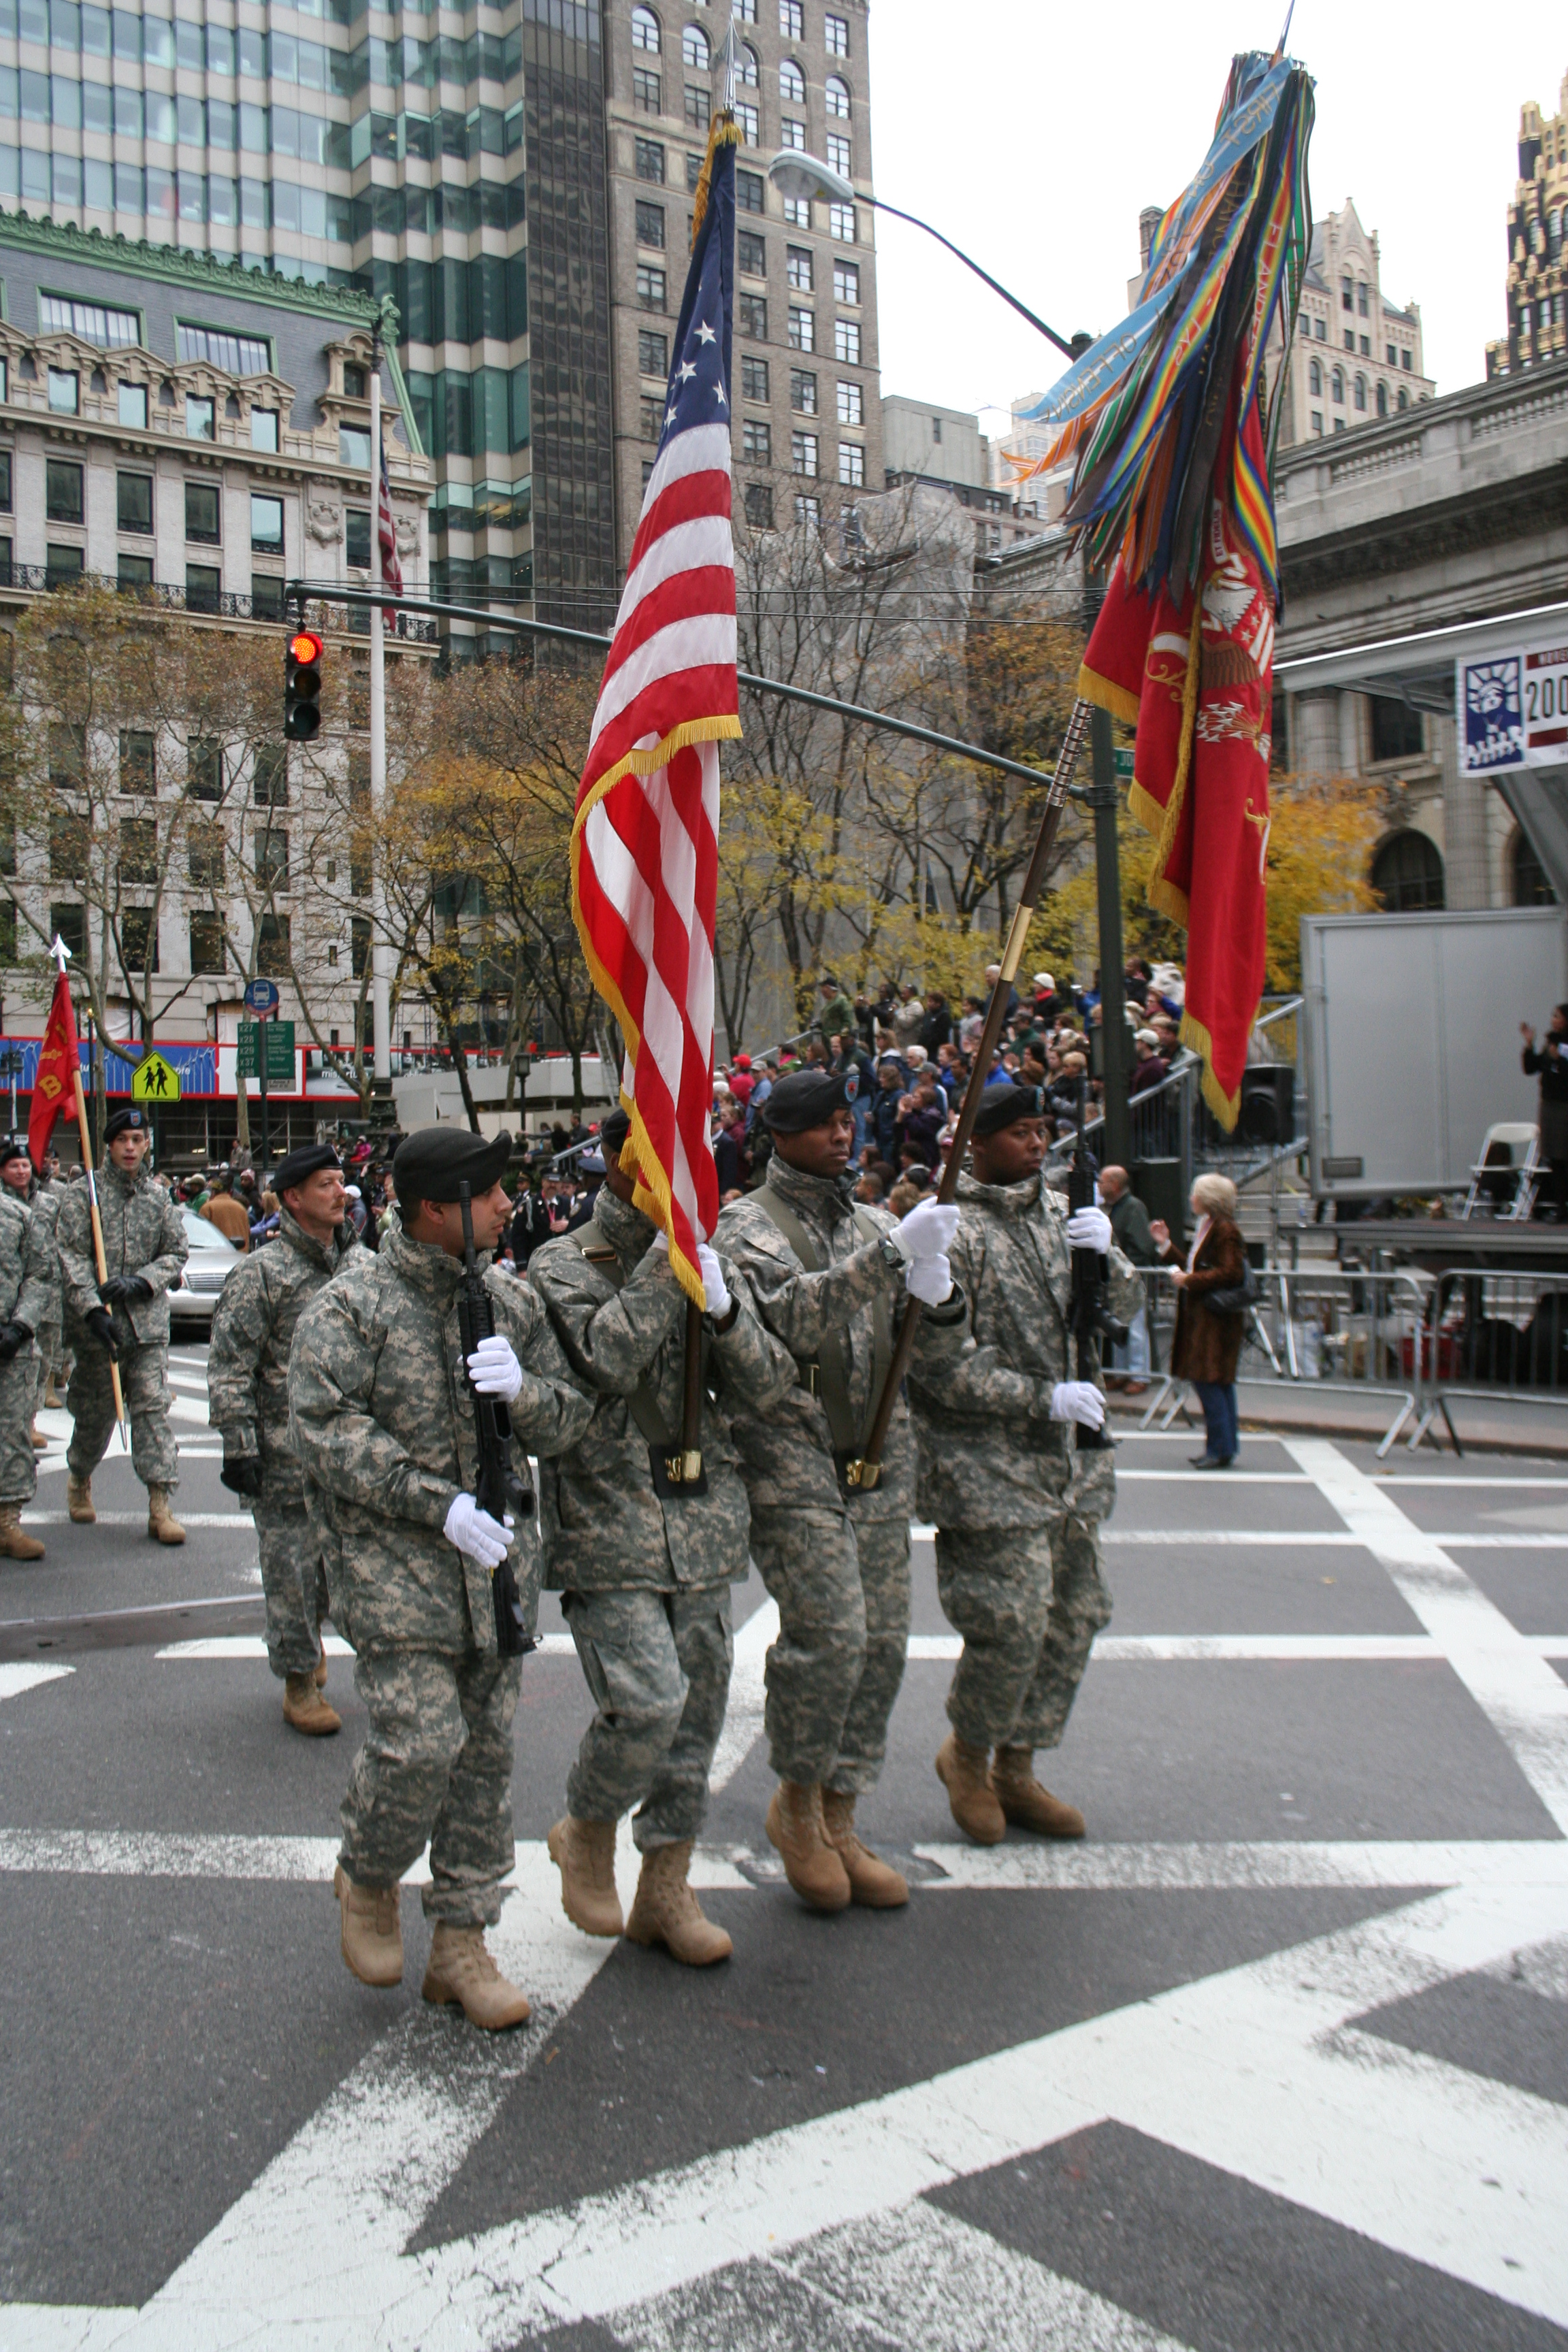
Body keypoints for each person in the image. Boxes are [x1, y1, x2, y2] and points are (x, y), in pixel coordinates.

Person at [288, 1125, 593, 2029]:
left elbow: (569, 1419)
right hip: (398, 1571)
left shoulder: (510, 1300)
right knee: (421, 1741)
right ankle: (371, 1873)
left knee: (484, 1761)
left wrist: (525, 1396)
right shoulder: (353, 1307)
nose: (510, 1206)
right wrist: (436, 1502)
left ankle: (462, 1941)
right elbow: (324, 1428)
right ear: (437, 1207)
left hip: (494, 1570)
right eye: (495, 1192)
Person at [529, 1108, 794, 1967]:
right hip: (608, 1518)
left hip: (701, 1519)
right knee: (647, 1703)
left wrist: (721, 1311)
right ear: (614, 1161)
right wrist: (664, 1262)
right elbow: (608, 1356)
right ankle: (589, 1824)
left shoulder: (704, 1259)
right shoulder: (564, 1260)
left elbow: (762, 1386)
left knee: (697, 1724)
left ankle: (666, 1887)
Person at [715, 1068, 967, 1912]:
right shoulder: (745, 1225)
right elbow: (787, 1318)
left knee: (884, 1644)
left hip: (878, 1456)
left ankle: (840, 1810)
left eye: (843, 1120)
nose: (839, 1134)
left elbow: (923, 1353)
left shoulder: (871, 1221)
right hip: (794, 1453)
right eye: (819, 1123)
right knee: (831, 1635)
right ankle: (796, 1800)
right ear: (778, 1134)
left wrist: (940, 1301)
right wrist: (892, 1256)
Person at [909, 1085, 1141, 1846]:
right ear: (977, 1144)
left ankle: (1019, 1763)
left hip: (1070, 1468)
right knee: (1009, 1622)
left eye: (1043, 1132)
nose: (1037, 1145)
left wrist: (1106, 1253)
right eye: (1018, 1133)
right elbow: (940, 1366)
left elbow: (1125, 1310)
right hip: (987, 1464)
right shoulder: (959, 1230)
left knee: (1075, 1617)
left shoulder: (1063, 1218)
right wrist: (1043, 1399)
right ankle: (968, 1755)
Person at [208, 1145, 359, 1739]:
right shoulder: (260, 1274)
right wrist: (239, 1444)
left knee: (336, 1569)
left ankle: (316, 1641)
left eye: (343, 1183)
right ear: (293, 1198)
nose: (341, 1193)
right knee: (293, 1571)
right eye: (326, 1184)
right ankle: (298, 1677)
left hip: (351, 1454)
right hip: (283, 1455)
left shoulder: (361, 1267)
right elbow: (229, 1364)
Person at [55, 1106, 189, 1542]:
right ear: (109, 1146)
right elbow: (68, 1255)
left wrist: (142, 1281)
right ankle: (79, 1476)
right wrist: (92, 1307)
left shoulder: (158, 1198)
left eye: (138, 1140)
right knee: (95, 1417)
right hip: (99, 1329)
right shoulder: (83, 1196)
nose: (131, 1148)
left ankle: (160, 1504)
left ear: (147, 1144)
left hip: (146, 1326)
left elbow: (176, 1252)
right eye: (122, 1141)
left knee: (151, 1411)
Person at [1153, 1171, 1246, 1469]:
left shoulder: (1224, 1230)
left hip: (1214, 1321)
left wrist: (1191, 1280)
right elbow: (1198, 1266)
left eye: (1196, 1194)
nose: (1191, 1199)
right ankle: (1223, 1446)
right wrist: (1167, 1247)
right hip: (1207, 1318)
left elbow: (1231, 1272)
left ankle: (1219, 1448)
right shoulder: (1210, 1226)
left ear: (1208, 1199)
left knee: (1210, 1382)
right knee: (1217, 1383)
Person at [0, 1140, 59, 1561]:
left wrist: (21, 1325)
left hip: (12, 1346)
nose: (21, 1170)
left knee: (13, 1433)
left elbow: (41, 1274)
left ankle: (7, 1523)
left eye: (25, 1165)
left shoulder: (23, 1217)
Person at [1098, 1164, 1158, 1394]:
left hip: (1131, 1276)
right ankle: (1122, 1373)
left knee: (1135, 1327)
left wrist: (1124, 1263)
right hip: (1118, 1277)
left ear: (1114, 1185)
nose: (1099, 1186)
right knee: (1119, 1325)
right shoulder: (1113, 1208)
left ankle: (1139, 1375)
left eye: (1103, 1181)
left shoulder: (1133, 1208)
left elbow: (1142, 1246)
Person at [1522, 1007, 1568, 1222]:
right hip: (1549, 1106)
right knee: (1555, 1159)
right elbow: (1532, 1068)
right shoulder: (1551, 1042)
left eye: (1557, 1016)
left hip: (1564, 1106)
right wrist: (1529, 1044)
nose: (1553, 1019)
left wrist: (1560, 1060)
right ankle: (1560, 1208)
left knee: (1565, 1156)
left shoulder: (1564, 1045)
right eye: (1552, 1015)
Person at [201, 1171, 251, 1252]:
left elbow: (202, 1234)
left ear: (213, 1192)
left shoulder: (208, 1207)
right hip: (241, 1255)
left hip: (218, 1257)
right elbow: (248, 1231)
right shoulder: (241, 1207)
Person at [815, 974, 856, 1047]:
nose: (822, 991)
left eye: (823, 987)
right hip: (827, 1040)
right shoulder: (828, 1004)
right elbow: (831, 1021)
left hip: (837, 1042)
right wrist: (820, 1024)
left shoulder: (841, 1001)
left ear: (829, 988)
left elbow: (848, 1022)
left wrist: (841, 1037)